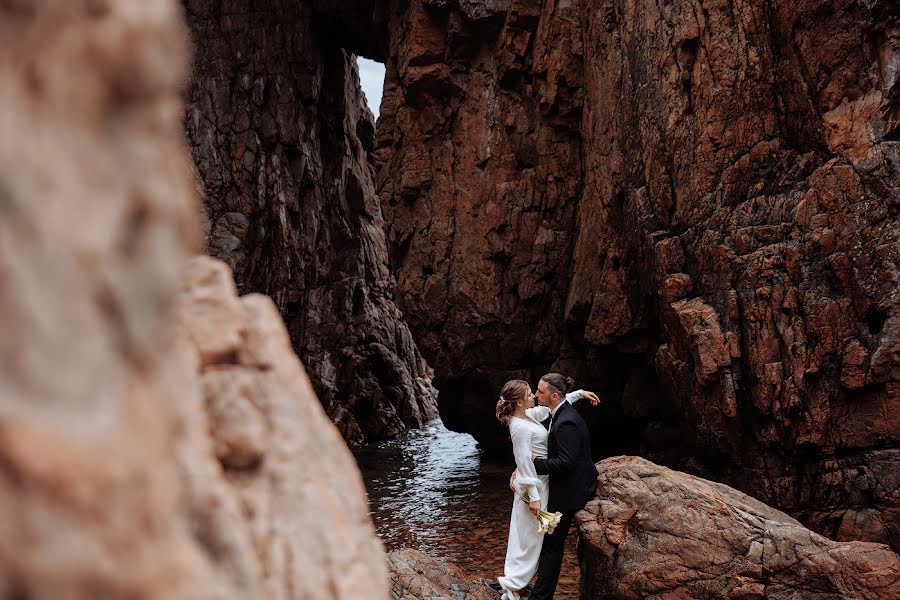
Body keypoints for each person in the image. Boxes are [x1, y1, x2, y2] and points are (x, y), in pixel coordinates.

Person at [494, 378, 600, 600]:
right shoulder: (519, 427)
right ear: (521, 402)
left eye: (538, 392)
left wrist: (579, 393)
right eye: (530, 393)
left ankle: (520, 583)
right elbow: (524, 464)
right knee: (528, 539)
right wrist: (533, 498)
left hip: (543, 482)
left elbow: (556, 405)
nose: (534, 395)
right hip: (534, 486)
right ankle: (514, 584)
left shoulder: (530, 415)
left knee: (533, 539)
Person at [529, 373, 599, 600]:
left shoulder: (565, 422)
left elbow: (566, 463)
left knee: (551, 545)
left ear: (554, 395)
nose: (536, 394)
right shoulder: (560, 411)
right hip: (569, 484)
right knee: (549, 544)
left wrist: (535, 464)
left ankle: (540, 597)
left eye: (540, 391)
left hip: (572, 491)